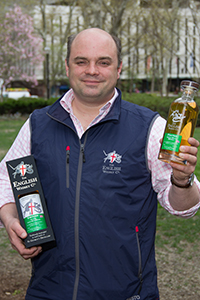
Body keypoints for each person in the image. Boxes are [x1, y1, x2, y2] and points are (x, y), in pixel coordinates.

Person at [0, 28, 200, 300]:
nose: (91, 70)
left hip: (126, 293)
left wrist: (182, 180)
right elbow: (5, 181)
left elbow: (183, 209)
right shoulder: (38, 124)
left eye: (103, 62)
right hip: (48, 290)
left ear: (118, 69)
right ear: (68, 67)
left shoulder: (151, 128)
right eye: (81, 61)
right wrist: (11, 219)